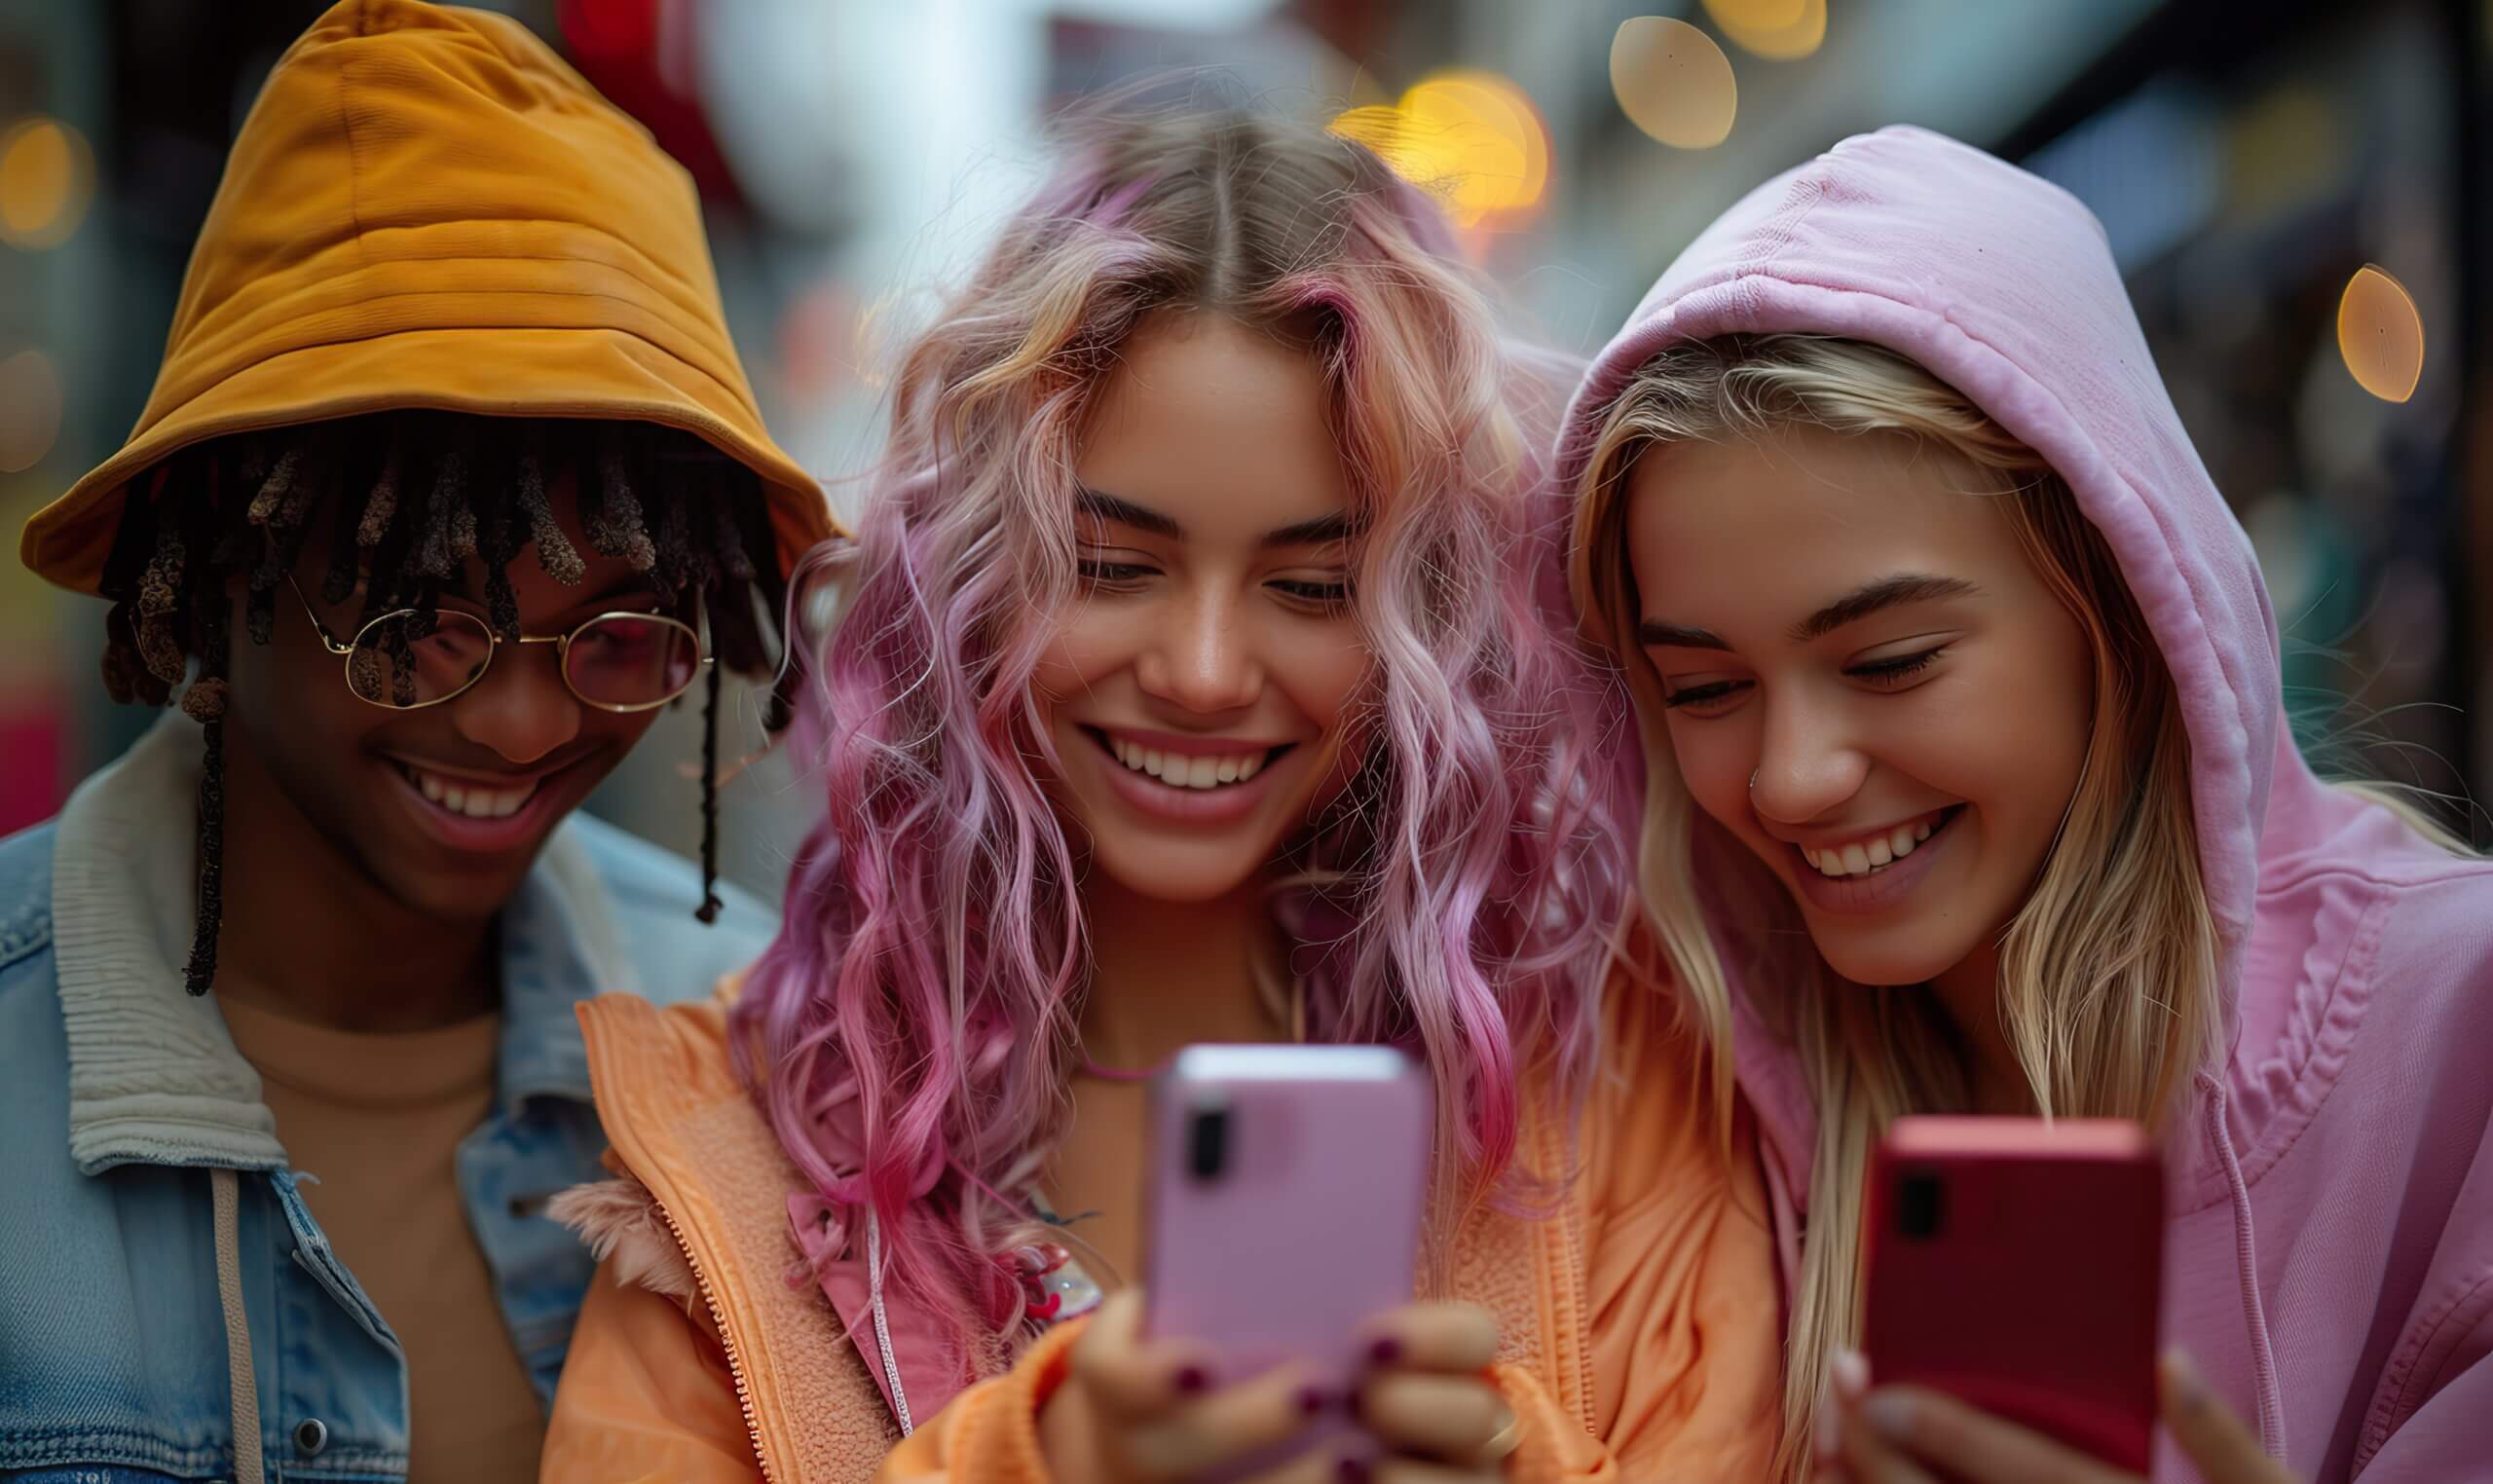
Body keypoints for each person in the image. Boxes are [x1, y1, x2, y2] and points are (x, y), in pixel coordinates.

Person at [540, 102, 1783, 1483]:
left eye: (1313, 588)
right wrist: (1043, 1458)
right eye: (1112, 566)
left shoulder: (1618, 1077)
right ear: (973, 584)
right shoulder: (738, 1137)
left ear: (1430, 621)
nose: (1201, 673)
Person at [1560, 125, 2493, 1483]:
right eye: (1701, 688)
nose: (1791, 777)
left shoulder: (2460, 1023)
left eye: (1890, 662)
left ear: (2117, 602)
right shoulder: (1682, 1106)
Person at [0, 4, 834, 1481]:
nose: (521, 723)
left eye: (617, 634)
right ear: (221, 565)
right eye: (414, 625)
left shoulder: (763, 1052)